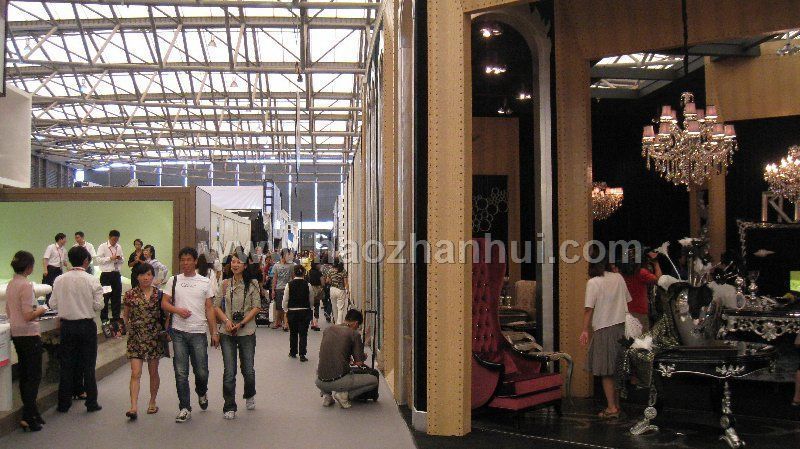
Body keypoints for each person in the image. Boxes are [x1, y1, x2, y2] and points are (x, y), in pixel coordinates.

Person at [161, 247, 219, 423]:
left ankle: (201, 392)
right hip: (178, 332)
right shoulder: (174, 280)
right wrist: (177, 310)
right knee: (181, 372)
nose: (185, 263)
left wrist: (214, 332)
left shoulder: (204, 282)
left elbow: (209, 308)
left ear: (195, 261)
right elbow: (164, 303)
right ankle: (184, 407)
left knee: (201, 371)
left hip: (198, 332)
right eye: (182, 260)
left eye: (188, 260)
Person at [50, 246, 104, 414]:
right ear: (86, 261)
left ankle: (63, 404)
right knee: (88, 365)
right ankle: (91, 402)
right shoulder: (92, 280)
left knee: (66, 365)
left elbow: (52, 304)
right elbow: (99, 305)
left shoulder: (59, 279)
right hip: (86, 326)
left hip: (67, 326)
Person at [579, 249, 631, 420]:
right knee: (617, 369)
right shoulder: (618, 278)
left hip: (604, 328)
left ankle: (611, 408)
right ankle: (617, 405)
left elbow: (588, 309)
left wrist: (584, 330)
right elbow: (627, 300)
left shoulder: (593, 282)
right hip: (621, 329)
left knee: (606, 371)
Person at [213, 251, 260, 419]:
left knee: (248, 369)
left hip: (246, 330)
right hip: (227, 331)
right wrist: (226, 321)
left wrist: (242, 323)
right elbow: (216, 306)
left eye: (239, 262)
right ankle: (229, 406)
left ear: (245, 265)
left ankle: (249, 394)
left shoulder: (253, 283)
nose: (235, 264)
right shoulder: (225, 283)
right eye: (233, 261)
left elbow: (256, 307)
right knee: (229, 371)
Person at [6, 251, 49, 431]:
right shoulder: (25, 285)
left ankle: (32, 412)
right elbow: (28, 315)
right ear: (29, 267)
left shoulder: (11, 284)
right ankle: (28, 416)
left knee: (25, 375)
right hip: (29, 334)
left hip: (16, 333)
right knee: (34, 376)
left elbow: (9, 311)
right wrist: (42, 309)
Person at [122, 263, 166, 420]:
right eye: (142, 275)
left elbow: (166, 315)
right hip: (136, 338)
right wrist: (124, 327)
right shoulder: (130, 294)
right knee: (135, 373)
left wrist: (166, 332)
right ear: (137, 277)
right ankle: (133, 407)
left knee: (153, 372)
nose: (145, 278)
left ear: (153, 276)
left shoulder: (159, 294)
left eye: (148, 274)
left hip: (154, 338)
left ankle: (152, 401)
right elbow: (126, 315)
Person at [315, 309, 378, 409]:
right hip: (339, 380)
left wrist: (347, 358)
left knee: (325, 363)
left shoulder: (328, 329)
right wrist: (363, 357)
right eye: (358, 326)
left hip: (319, 381)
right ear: (356, 323)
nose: (357, 328)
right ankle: (344, 395)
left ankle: (327, 396)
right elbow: (359, 363)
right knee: (374, 380)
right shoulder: (354, 334)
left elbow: (330, 352)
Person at [619, 249, 661, 332]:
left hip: (624, 313)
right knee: (642, 339)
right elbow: (659, 280)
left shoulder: (620, 275)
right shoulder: (641, 273)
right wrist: (656, 263)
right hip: (640, 313)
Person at [283, 265, 314, 362]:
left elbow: (285, 299)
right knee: (303, 333)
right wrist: (311, 307)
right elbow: (311, 298)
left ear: (294, 273)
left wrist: (286, 310)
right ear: (304, 273)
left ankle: (293, 352)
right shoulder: (308, 285)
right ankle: (302, 354)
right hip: (304, 311)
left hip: (292, 312)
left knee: (293, 332)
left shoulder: (289, 285)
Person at [96, 230, 124, 326]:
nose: (115, 241)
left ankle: (116, 317)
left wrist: (120, 259)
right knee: (105, 296)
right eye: (113, 239)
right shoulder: (103, 246)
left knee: (117, 296)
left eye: (116, 240)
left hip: (116, 275)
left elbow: (123, 259)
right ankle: (104, 318)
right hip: (106, 276)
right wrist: (110, 258)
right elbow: (98, 260)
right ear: (109, 237)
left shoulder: (119, 247)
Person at [271, 249, 294, 331]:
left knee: (287, 306)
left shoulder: (291, 265)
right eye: (288, 255)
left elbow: (293, 277)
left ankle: (286, 324)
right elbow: (274, 278)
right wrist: (273, 290)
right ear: (283, 255)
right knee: (279, 307)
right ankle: (277, 322)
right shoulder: (276, 265)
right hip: (279, 288)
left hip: (288, 288)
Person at [42, 233, 68, 304]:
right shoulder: (51, 247)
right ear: (60, 239)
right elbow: (45, 259)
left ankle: (56, 304)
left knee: (58, 287)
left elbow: (64, 262)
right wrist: (45, 270)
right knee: (50, 287)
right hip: (51, 269)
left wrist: (69, 267)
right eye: (65, 239)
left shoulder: (64, 250)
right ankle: (48, 304)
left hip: (59, 270)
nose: (66, 241)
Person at [328, 258, 350, 324]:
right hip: (340, 290)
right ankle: (339, 323)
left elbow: (328, 281)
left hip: (332, 289)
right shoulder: (343, 271)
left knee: (334, 308)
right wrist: (348, 291)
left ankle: (335, 323)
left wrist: (333, 281)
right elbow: (346, 283)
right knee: (340, 308)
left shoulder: (330, 270)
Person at [308, 262, 324, 331]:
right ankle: (316, 323)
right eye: (319, 264)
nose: (320, 265)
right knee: (316, 306)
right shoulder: (319, 273)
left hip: (310, 290)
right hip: (317, 290)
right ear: (316, 265)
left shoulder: (309, 272)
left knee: (310, 307)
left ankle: (311, 323)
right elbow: (322, 282)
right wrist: (322, 287)